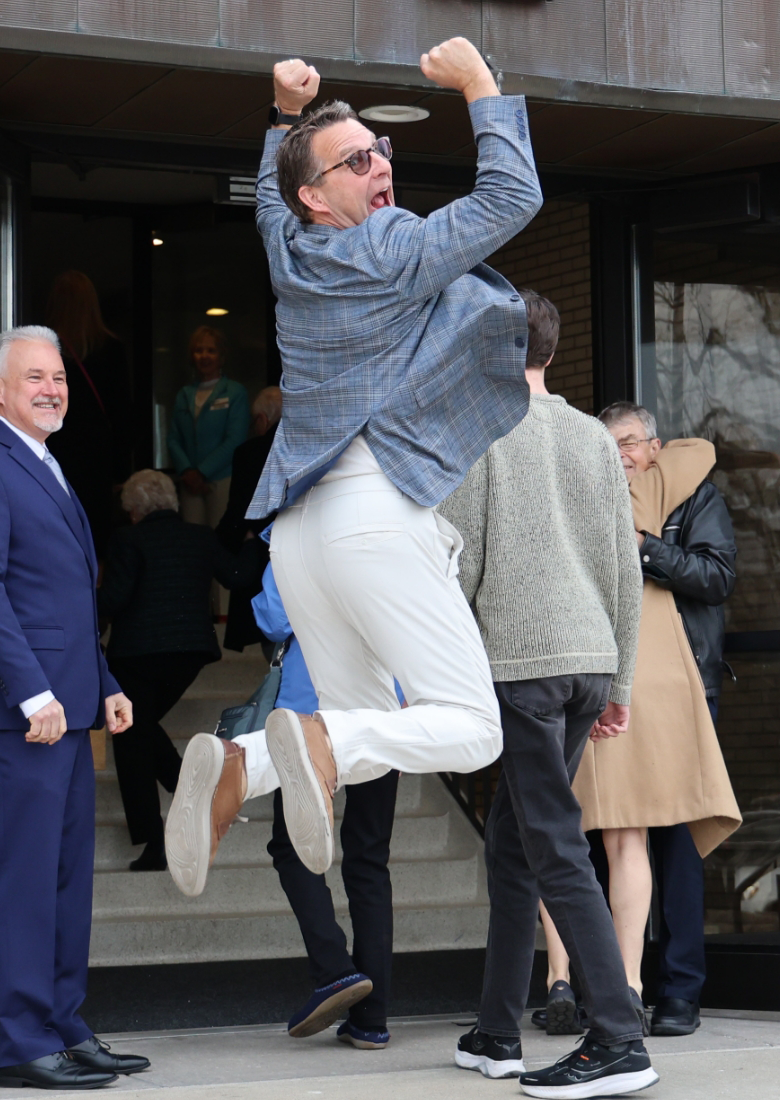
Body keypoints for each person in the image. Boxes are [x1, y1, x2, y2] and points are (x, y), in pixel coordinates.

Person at [165, 36, 544, 903]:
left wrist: (285, 116)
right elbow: (512, 193)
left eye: (382, 151)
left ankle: (238, 763)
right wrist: (481, 84)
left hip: (300, 536)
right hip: (376, 513)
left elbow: (265, 200)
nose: (381, 166)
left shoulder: (289, 253)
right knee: (471, 730)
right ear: (319, 197)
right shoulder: (391, 249)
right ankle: (308, 752)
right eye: (356, 159)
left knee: (349, 723)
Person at [440, 291, 658, 1097]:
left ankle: (617, 1036)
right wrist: (620, 680)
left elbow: (457, 565)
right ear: (549, 353)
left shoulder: (479, 432)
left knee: (556, 845)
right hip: (588, 661)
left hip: (523, 666)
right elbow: (621, 569)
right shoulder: (592, 439)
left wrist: (429, 680)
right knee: (515, 842)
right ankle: (497, 1030)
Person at [0, 326, 148, 1089]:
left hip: (69, 710)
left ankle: (65, 1025)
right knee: (23, 881)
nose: (52, 388)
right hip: (23, 719)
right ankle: (23, 1044)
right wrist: (34, 691)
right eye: (35, 377)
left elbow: (62, 602)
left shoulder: (44, 464)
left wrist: (104, 681)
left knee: (66, 882)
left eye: (59, 378)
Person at [563, 403, 740, 1038]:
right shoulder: (587, 500)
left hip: (684, 687)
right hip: (610, 692)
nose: (624, 454)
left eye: (633, 442)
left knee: (679, 844)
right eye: (611, 444)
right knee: (608, 838)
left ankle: (680, 991)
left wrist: (646, 550)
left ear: (656, 446)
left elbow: (717, 577)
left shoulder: (692, 497)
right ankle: (610, 988)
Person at [251, 564, 399, 1048]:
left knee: (292, 845)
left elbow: (273, 620)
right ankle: (371, 1020)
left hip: (308, 706)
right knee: (369, 859)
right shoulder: (392, 524)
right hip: (383, 706)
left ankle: (335, 970)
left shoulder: (293, 532)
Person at [97, 469, 261, 871]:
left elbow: (114, 598)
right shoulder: (201, 536)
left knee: (133, 734)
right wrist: (260, 542)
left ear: (134, 511)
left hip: (136, 654)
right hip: (189, 653)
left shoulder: (127, 539)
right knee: (140, 730)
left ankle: (160, 837)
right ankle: (197, 799)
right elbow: (239, 575)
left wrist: (85, 626)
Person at [44, 269, 132, 557]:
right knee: (94, 540)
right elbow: (121, 415)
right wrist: (121, 469)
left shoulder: (43, 352)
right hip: (97, 460)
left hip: (55, 455)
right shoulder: (111, 350)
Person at [216, 386, 282, 654]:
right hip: (308, 550)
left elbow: (241, 508)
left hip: (265, 552)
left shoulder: (250, 452)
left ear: (262, 420)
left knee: (272, 625)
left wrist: (222, 543)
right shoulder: (312, 446)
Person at [167, 325, 249, 529]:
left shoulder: (235, 392)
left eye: (211, 350)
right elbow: (173, 438)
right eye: (199, 350)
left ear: (221, 356)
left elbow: (235, 440)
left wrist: (202, 472)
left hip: (222, 479)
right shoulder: (183, 394)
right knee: (193, 542)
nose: (204, 356)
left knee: (220, 539)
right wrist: (187, 471)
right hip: (189, 483)